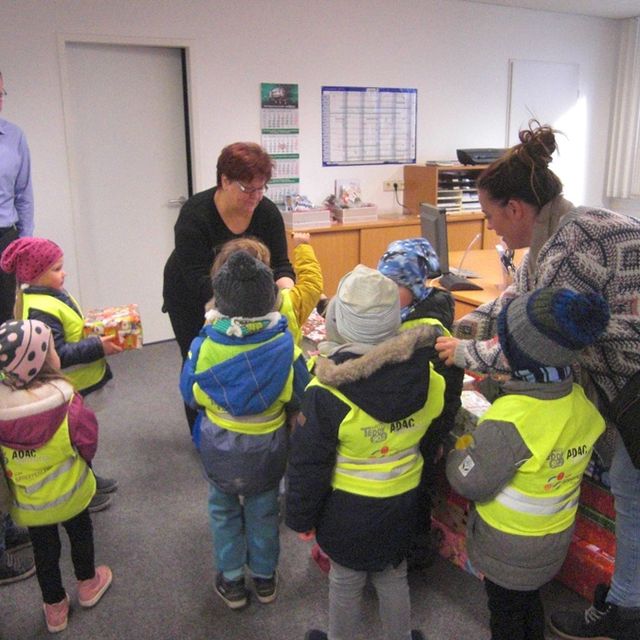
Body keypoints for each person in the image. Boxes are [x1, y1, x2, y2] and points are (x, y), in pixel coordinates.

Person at [434, 121, 640, 640]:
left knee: (630, 488)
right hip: (619, 374)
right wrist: (460, 325)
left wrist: (463, 351)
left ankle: (627, 609)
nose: (492, 230)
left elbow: (541, 343)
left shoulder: (570, 252)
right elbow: (516, 302)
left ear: (516, 209)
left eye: (491, 218)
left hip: (630, 381)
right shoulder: (566, 228)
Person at [286, 264, 446, 640]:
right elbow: (432, 429)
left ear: (337, 321)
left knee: (345, 581)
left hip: (347, 510)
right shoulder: (429, 380)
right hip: (403, 502)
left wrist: (301, 518)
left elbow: (308, 465)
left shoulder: (325, 394)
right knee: (394, 575)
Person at [446, 287, 610, 640]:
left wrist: (458, 450)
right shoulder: (581, 402)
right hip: (552, 542)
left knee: (504, 613)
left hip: (506, 548)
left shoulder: (512, 421)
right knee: (529, 604)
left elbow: (469, 481)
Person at [180, 250, 309, 610]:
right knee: (264, 511)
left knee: (222, 511)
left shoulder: (203, 345)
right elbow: (304, 394)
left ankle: (232, 580)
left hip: (218, 447)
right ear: (271, 299)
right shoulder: (287, 349)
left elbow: (189, 394)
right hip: (266, 449)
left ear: (220, 302)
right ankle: (265, 579)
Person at [163, 142, 295, 433]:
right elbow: (197, 279)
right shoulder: (195, 215)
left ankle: (245, 429)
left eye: (262, 188)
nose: (256, 197)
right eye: (248, 189)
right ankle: (205, 437)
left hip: (246, 298)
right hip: (190, 296)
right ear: (224, 180)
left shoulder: (266, 212)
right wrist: (245, 307)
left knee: (247, 360)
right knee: (200, 361)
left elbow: (281, 264)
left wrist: (288, 293)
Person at [0, 319, 112, 633]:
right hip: (73, 495)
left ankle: (55, 607)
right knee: (80, 535)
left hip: (32, 505)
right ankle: (88, 584)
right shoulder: (67, 402)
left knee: (44, 552)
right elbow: (88, 442)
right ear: (45, 360)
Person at [0, 237, 121, 512]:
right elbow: (59, 355)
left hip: (79, 381)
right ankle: (81, 493)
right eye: (56, 269)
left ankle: (88, 477)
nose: (63, 273)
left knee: (80, 440)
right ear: (36, 275)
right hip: (70, 384)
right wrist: (98, 346)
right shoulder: (40, 310)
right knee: (75, 440)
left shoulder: (51, 294)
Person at [377, 237, 464, 570]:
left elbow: (448, 392)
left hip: (422, 432)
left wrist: (437, 435)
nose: (385, 293)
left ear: (415, 286)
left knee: (417, 493)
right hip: (396, 430)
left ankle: (415, 554)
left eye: (394, 285)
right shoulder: (399, 315)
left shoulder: (433, 334)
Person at [0, 69, 36, 585]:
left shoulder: (14, 136)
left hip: (4, 242)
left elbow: (25, 198)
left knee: (7, 357)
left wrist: (23, 253)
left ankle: (13, 506)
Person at [208, 232, 322, 346]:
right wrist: (303, 247)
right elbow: (311, 283)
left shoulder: (214, 317)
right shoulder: (289, 303)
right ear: (265, 272)